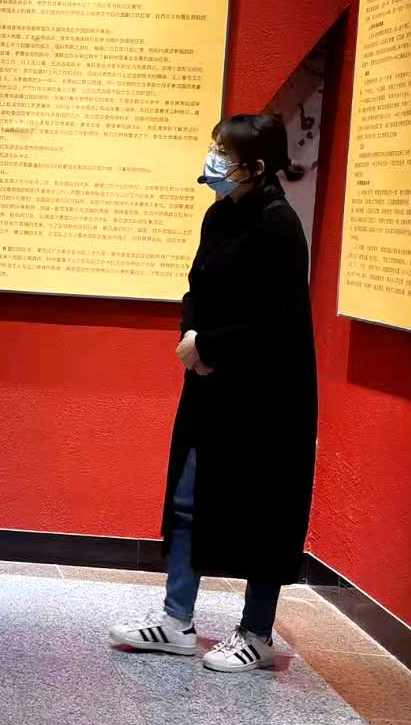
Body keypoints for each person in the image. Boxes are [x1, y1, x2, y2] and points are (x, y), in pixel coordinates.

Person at [110, 113, 317, 674]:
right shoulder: (218, 214)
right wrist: (192, 338)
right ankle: (176, 620)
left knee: (265, 509)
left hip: (267, 395)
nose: (214, 158)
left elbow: (277, 320)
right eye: (215, 147)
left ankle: (256, 632)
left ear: (256, 165)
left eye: (224, 151)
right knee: (187, 497)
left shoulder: (279, 224)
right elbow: (196, 288)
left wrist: (208, 345)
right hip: (209, 382)